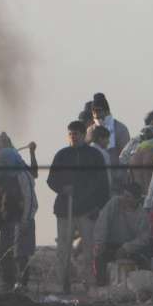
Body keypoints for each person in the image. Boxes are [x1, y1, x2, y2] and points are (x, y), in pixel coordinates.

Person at [48, 120, 110, 290]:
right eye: (71, 134)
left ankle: (89, 282)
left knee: (89, 250)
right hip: (64, 209)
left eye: (76, 134)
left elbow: (103, 184)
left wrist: (98, 207)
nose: (73, 137)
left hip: (87, 210)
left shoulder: (94, 156)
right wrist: (62, 188)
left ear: (84, 135)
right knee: (63, 249)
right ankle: (63, 283)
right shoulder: (62, 155)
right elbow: (51, 180)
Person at [0, 145, 37, 289]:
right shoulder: (2, 174)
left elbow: (30, 198)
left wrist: (26, 219)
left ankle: (22, 283)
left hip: (22, 219)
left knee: (21, 253)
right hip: (7, 219)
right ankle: (7, 282)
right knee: (5, 252)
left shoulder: (23, 174)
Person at [94, 182, 147, 283]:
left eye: (128, 197)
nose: (124, 199)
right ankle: (102, 286)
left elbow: (143, 239)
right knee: (99, 257)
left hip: (130, 247)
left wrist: (126, 248)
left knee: (143, 261)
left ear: (137, 200)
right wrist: (99, 243)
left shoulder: (142, 215)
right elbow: (102, 222)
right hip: (110, 244)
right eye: (124, 195)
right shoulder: (114, 202)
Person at [87, 92, 131, 162]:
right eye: (94, 112)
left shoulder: (120, 129)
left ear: (106, 111)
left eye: (98, 111)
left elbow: (126, 155)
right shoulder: (90, 130)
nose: (96, 115)